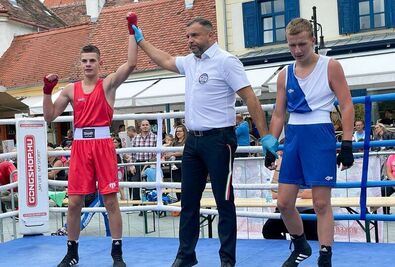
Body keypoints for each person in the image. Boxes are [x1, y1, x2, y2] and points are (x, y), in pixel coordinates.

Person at [131, 17, 277, 267]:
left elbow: (250, 97)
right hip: (193, 142)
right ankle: (185, 255)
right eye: (188, 36)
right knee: (188, 200)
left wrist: (264, 135)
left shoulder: (226, 61)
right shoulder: (190, 62)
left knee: (224, 201)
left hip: (220, 140)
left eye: (195, 36)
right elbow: (165, 59)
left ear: (210, 36)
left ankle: (227, 260)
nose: (190, 41)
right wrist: (141, 40)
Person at [42, 11, 138, 267]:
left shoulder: (107, 85)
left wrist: (131, 31)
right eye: (84, 60)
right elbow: (49, 116)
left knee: (110, 200)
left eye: (92, 60)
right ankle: (72, 252)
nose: (87, 64)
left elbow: (130, 65)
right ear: (80, 63)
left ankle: (117, 253)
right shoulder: (70, 90)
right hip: (80, 147)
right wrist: (46, 92)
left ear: (99, 62)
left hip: (103, 145)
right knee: (74, 202)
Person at [267, 18, 354, 267]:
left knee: (320, 202)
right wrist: (271, 144)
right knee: (283, 203)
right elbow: (278, 113)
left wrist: (346, 143)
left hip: (319, 134)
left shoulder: (331, 66)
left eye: (302, 44)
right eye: (292, 45)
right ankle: (301, 244)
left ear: (313, 41)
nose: (297, 50)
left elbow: (346, 104)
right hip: (293, 135)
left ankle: (325, 255)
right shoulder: (284, 74)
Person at [262, 150, 318, 241]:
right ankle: (282, 251)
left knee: (313, 234)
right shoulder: (277, 169)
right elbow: (271, 194)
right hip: (285, 210)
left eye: (282, 155)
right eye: (280, 155)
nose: (281, 157)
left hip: (307, 211)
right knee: (268, 230)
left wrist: (287, 194)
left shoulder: (308, 166)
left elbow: (311, 193)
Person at [129, 119, 157, 201]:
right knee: (135, 182)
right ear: (140, 127)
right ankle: (136, 202)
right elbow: (132, 153)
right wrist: (131, 165)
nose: (145, 126)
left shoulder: (155, 137)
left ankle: (150, 201)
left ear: (149, 126)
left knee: (150, 183)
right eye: (143, 125)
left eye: (146, 125)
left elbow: (158, 152)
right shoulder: (135, 138)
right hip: (138, 162)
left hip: (151, 162)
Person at [165, 124, 187, 202]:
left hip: (184, 165)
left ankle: (185, 201)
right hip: (174, 166)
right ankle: (179, 201)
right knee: (177, 185)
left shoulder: (187, 141)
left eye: (180, 131)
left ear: (184, 132)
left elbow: (183, 151)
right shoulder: (174, 142)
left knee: (185, 184)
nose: (178, 133)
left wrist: (172, 154)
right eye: (177, 131)